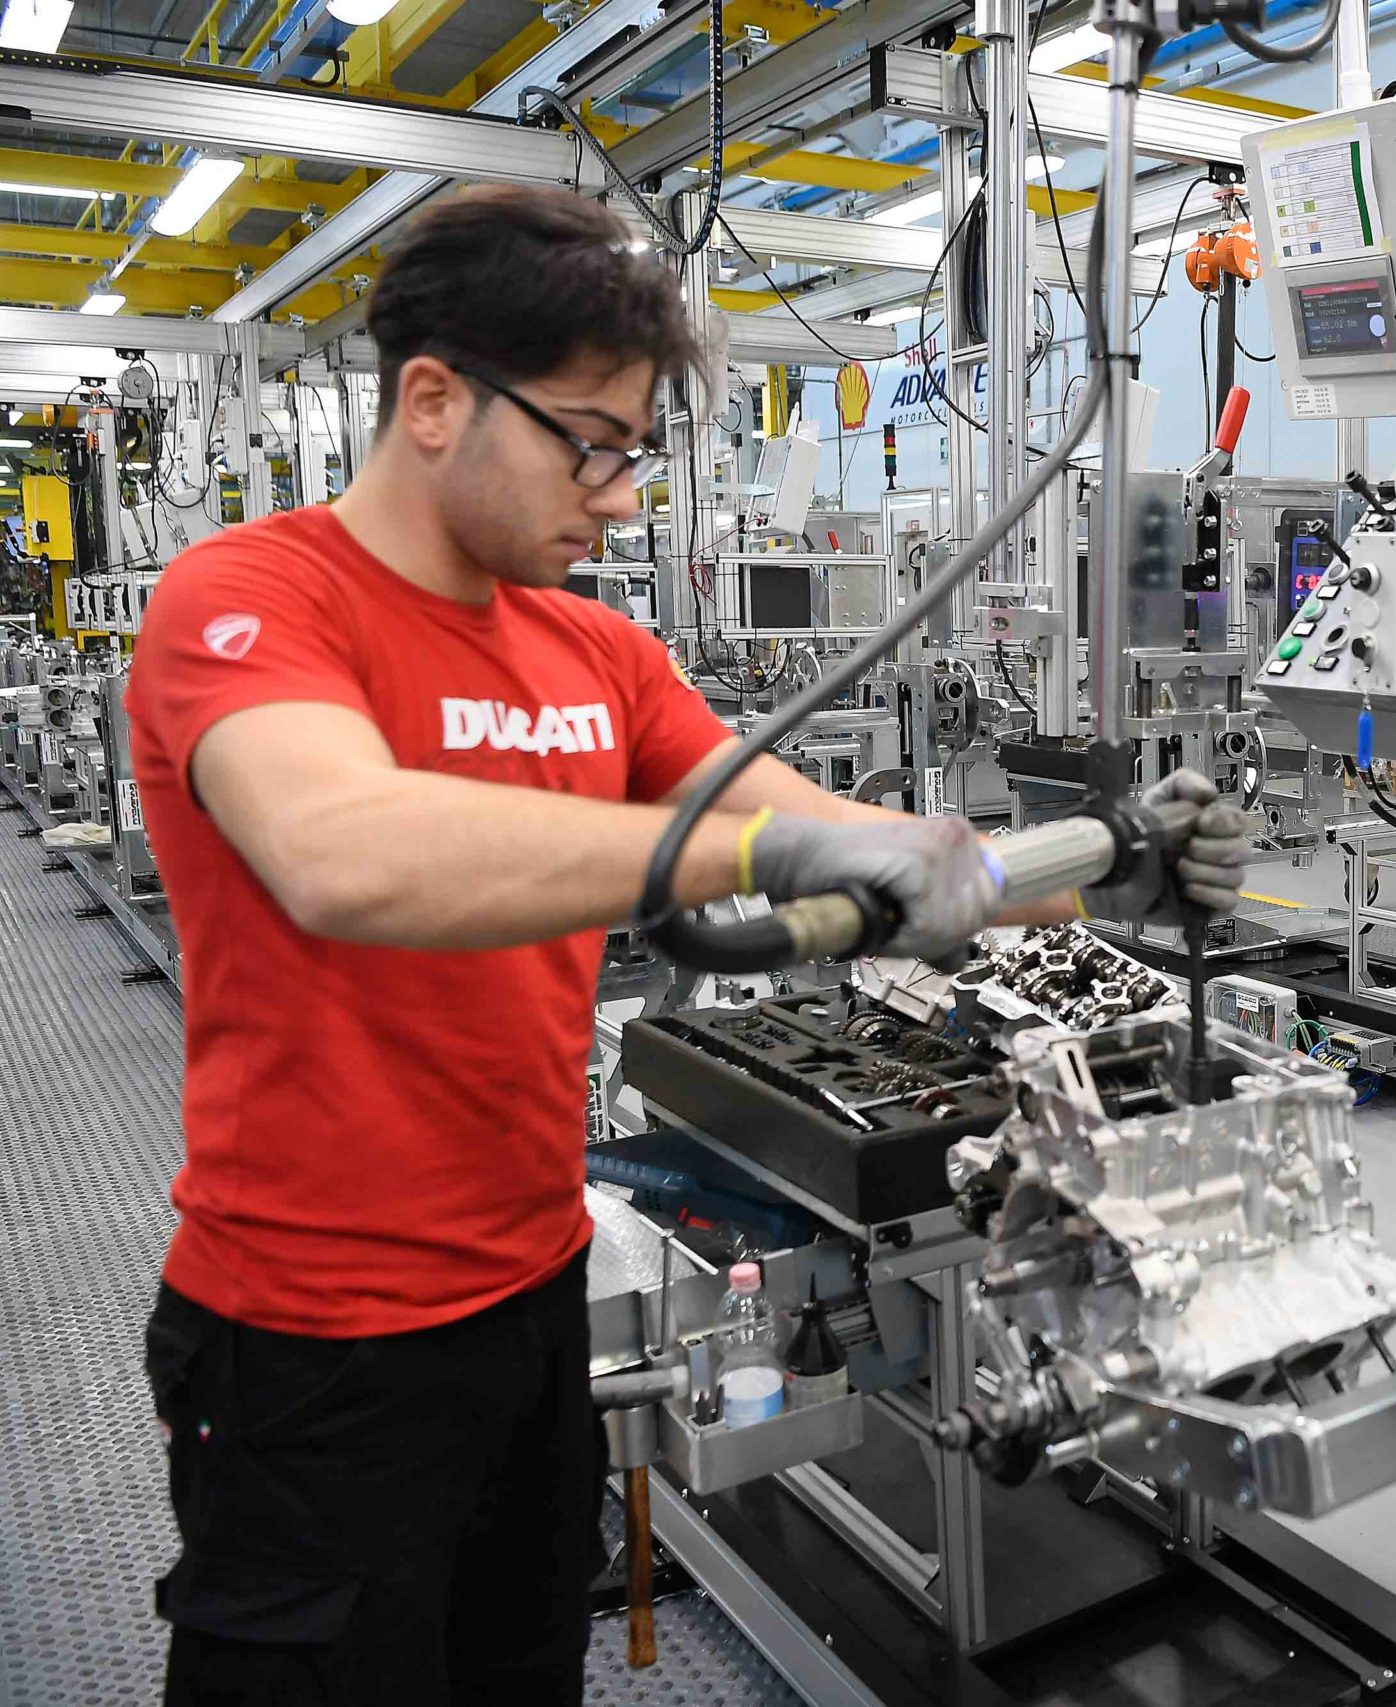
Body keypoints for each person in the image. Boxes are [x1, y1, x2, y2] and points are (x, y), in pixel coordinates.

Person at [128, 185, 1249, 1706]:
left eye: (637, 452)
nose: (619, 491)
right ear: (436, 399)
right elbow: (344, 854)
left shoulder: (599, 648)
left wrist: (1104, 870)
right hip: (312, 1341)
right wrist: (774, 848)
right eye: (590, 439)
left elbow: (836, 830)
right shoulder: (254, 598)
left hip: (531, 1298)